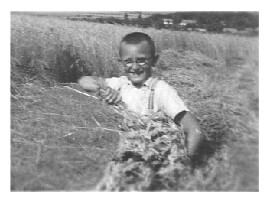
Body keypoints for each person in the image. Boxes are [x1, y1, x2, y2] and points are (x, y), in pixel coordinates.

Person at [78, 32, 202, 158]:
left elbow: (194, 130)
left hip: (150, 160)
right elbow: (83, 81)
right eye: (128, 62)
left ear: (154, 60)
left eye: (141, 61)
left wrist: (180, 166)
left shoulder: (161, 90)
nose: (135, 67)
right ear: (120, 61)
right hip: (119, 157)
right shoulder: (119, 83)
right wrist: (102, 90)